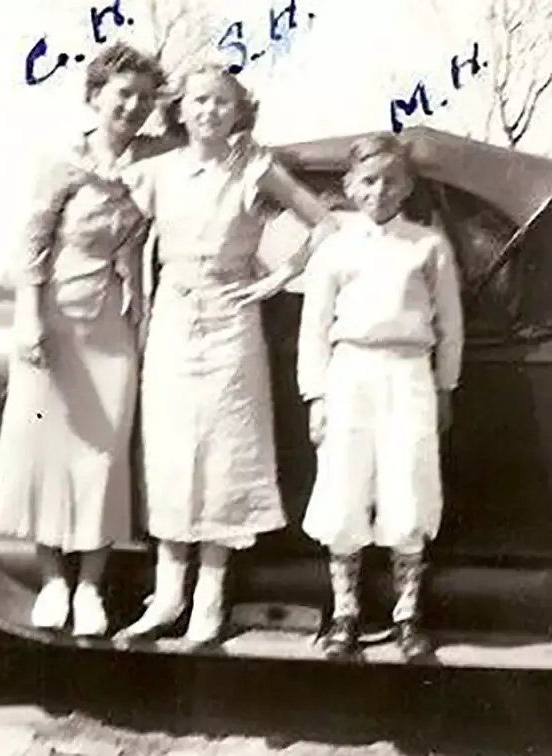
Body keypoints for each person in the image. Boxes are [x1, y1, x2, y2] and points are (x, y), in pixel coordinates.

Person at [113, 62, 337, 644]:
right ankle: (166, 598)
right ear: (180, 109)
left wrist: (275, 279)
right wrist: (134, 291)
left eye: (221, 102)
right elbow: (120, 234)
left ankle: (208, 605)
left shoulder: (254, 168)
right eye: (199, 100)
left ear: (238, 111)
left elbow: (325, 224)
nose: (209, 111)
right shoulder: (156, 171)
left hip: (233, 323)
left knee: (223, 458)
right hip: (172, 321)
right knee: (169, 453)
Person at [0, 42, 182, 638]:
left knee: (101, 455)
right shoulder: (62, 164)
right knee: (48, 451)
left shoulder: (153, 161)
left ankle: (91, 585)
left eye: (145, 98)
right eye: (123, 94)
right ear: (96, 97)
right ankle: (51, 582)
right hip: (56, 318)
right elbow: (32, 244)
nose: (133, 106)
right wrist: (27, 318)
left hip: (114, 325)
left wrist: (143, 319)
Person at [295, 133, 464, 661]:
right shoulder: (335, 247)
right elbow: (314, 326)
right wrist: (316, 395)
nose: (380, 190)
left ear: (408, 185)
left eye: (392, 180)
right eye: (368, 180)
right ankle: (345, 614)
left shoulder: (427, 245)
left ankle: (407, 614)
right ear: (349, 186)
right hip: (349, 371)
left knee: (408, 488)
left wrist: (445, 386)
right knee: (344, 488)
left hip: (409, 371)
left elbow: (451, 324)